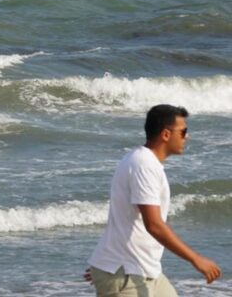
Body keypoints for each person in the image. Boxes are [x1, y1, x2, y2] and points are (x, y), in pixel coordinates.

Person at [87, 104, 222, 296]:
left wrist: (105, 264)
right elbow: (154, 224)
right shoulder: (144, 165)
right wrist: (196, 259)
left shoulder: (145, 162)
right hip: (125, 273)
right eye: (183, 132)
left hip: (142, 270)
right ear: (166, 134)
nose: (187, 137)